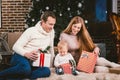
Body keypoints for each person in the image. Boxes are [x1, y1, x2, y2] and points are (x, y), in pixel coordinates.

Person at [0, 11, 56, 79]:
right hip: (20, 56)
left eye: (53, 24)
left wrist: (53, 64)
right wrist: (27, 54)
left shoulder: (51, 33)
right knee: (25, 68)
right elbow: (15, 47)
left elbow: (51, 49)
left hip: (35, 61)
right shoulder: (31, 31)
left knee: (46, 71)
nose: (52, 27)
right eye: (50, 24)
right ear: (42, 22)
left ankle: (21, 75)